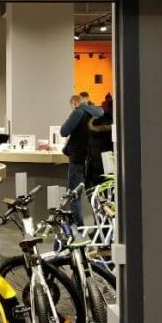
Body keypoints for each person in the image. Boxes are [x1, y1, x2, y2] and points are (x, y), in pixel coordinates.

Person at [61, 93, 103, 225]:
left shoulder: (78, 112)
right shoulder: (99, 112)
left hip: (78, 159)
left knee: (75, 195)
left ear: (74, 103)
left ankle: (79, 227)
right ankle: (97, 227)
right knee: (93, 195)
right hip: (94, 160)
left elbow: (64, 131)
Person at [86, 105, 114, 187]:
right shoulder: (109, 131)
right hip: (107, 158)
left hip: (93, 165)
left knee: (96, 186)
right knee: (109, 184)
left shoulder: (90, 133)